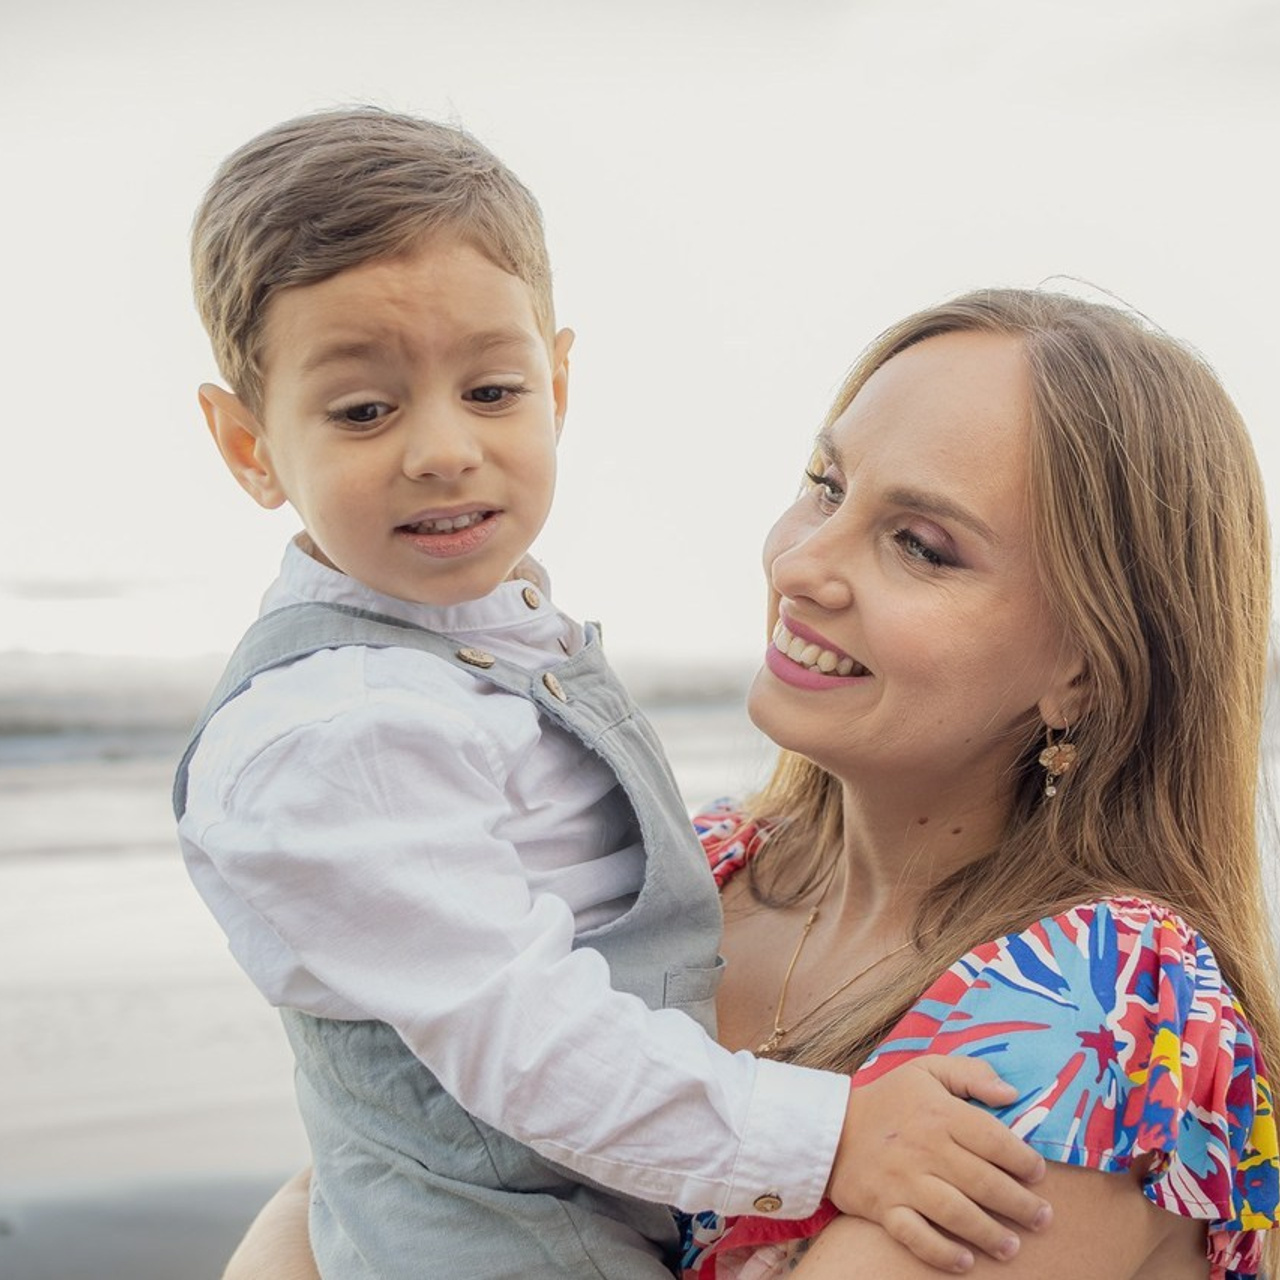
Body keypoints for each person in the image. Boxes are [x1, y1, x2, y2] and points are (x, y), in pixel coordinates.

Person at [228, 286, 1280, 1279]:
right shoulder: (702, 859)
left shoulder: (1108, 1005)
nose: (801, 564)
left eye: (918, 545)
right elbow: (381, 1158)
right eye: (824, 485)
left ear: (1086, 665)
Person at [174, 108, 1049, 1280]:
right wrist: (830, 1136)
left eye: (489, 390)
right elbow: (527, 1045)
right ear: (248, 447)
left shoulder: (469, 641)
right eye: (364, 410)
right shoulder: (342, 727)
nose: (442, 449)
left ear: (559, 379)